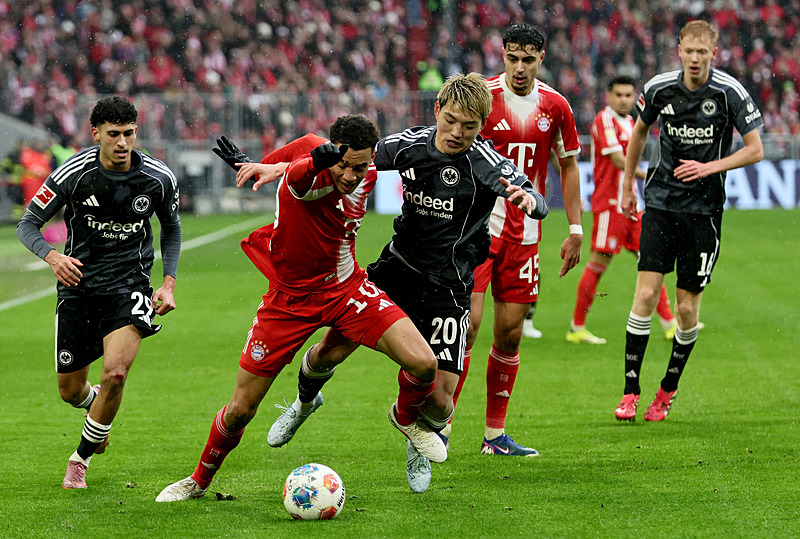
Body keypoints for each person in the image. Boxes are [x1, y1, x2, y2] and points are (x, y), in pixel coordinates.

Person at [267, 73, 549, 493]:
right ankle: (305, 402)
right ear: (437, 110)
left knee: (441, 400)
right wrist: (279, 166)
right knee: (331, 350)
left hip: (449, 287)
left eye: (469, 127)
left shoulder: (486, 163)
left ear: (481, 127)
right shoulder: (410, 145)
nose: (457, 133)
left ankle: (415, 439)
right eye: (451, 120)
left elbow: (532, 195)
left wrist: (530, 200)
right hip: (396, 271)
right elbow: (349, 157)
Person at [156, 114, 447, 503]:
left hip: (347, 289)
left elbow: (288, 160)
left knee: (425, 364)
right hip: (288, 302)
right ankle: (198, 481)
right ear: (330, 152)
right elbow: (296, 176)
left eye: (360, 167)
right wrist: (301, 163)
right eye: (343, 165)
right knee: (241, 409)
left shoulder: (367, 173)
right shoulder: (307, 174)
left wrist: (263, 163)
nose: (350, 175)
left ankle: (405, 418)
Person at [16, 96, 182, 489]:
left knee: (117, 373)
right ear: (96, 134)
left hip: (130, 285)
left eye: (129, 134)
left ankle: (80, 460)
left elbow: (171, 228)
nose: (123, 143)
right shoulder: (73, 173)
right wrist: (52, 256)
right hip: (78, 287)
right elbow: (28, 225)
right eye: (113, 135)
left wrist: (169, 282)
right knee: (70, 391)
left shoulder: (158, 178)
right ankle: (97, 413)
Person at [614, 20, 763, 422]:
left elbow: (755, 150)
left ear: (714, 53)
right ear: (678, 50)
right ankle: (630, 391)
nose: (695, 59)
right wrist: (627, 184)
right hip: (661, 203)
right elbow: (639, 134)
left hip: (704, 212)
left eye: (703, 52)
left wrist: (709, 167)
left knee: (684, 310)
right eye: (689, 51)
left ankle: (667, 390)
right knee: (645, 296)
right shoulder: (660, 87)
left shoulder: (729, 93)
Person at [454, 24, 583, 457]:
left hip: (525, 235)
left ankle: (494, 436)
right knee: (466, 327)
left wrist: (576, 229)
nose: (520, 67)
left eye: (528, 59)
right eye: (513, 58)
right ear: (502, 56)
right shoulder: (481, 99)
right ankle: (439, 428)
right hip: (475, 232)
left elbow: (568, 167)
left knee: (509, 336)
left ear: (541, 58)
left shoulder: (555, 106)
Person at [567, 75, 677, 345]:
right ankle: (577, 327)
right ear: (609, 96)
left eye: (629, 95)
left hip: (631, 207)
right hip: (610, 207)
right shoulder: (604, 119)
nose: (624, 100)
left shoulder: (630, 122)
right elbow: (617, 159)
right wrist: (647, 175)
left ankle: (670, 323)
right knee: (598, 265)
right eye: (619, 95)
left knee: (651, 262)